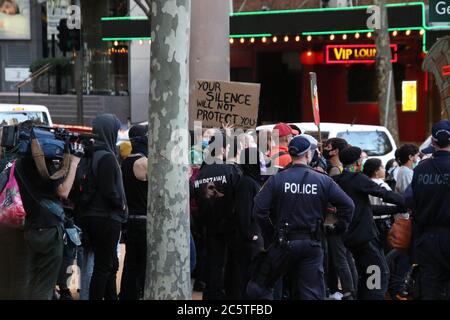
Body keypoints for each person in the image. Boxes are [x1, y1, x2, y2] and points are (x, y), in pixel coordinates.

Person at [252, 136, 354, 300]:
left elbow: (259, 209)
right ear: (308, 155)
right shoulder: (322, 180)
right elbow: (348, 205)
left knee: (266, 287)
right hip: (312, 244)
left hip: (282, 242)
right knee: (311, 292)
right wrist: (340, 227)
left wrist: (270, 233)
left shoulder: (278, 178)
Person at [5, 135, 84, 300]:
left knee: (32, 278)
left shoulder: (18, 164)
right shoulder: (45, 167)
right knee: (45, 284)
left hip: (30, 227)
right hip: (49, 229)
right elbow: (63, 192)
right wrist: (74, 163)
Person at [333, 146, 406, 300]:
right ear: (357, 162)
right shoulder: (357, 179)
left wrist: (395, 209)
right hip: (364, 237)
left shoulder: (339, 180)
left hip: (350, 237)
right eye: (361, 158)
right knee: (378, 274)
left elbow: (367, 209)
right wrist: (408, 203)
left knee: (365, 275)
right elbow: (383, 193)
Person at [80, 114, 127, 300]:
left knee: (110, 264)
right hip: (106, 217)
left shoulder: (90, 153)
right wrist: (121, 204)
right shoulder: (107, 157)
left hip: (91, 216)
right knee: (103, 267)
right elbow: (109, 191)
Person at [193, 130, 242, 300]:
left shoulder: (202, 171)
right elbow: (241, 196)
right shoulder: (231, 170)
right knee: (232, 264)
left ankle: (211, 295)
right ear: (224, 147)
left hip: (208, 225)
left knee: (214, 264)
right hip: (230, 225)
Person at [406, 120, 450, 300]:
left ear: (433, 142)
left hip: (426, 239)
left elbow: (409, 199)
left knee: (429, 286)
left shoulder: (421, 169)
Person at [322, 137, 357, 299]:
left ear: (335, 151)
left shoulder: (335, 170)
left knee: (340, 259)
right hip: (342, 221)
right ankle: (352, 289)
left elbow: (334, 198)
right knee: (347, 257)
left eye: (328, 147)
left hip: (334, 221)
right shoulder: (340, 168)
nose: (325, 149)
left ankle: (349, 292)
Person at [119, 124, 148, 300]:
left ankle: (126, 295)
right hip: (143, 221)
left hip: (130, 219)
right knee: (143, 264)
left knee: (130, 263)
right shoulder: (144, 163)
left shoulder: (125, 162)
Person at [232, 147, 264, 299]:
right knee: (243, 274)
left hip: (250, 236)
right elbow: (243, 211)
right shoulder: (246, 182)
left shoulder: (250, 180)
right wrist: (250, 235)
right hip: (247, 239)